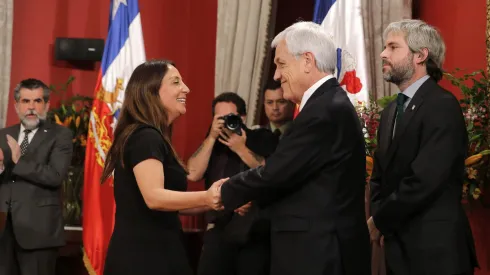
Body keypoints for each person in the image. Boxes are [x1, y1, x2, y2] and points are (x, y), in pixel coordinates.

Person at [218, 21, 371, 275]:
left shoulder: (324, 111)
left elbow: (276, 173)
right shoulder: (327, 104)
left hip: (320, 255)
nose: (276, 75)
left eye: (281, 64)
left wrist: (223, 192)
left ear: (307, 61)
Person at [368, 19, 478, 275]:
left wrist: (381, 221)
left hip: (436, 253)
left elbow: (424, 180)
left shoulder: (442, 106)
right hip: (398, 249)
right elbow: (379, 177)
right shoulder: (390, 112)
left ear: (420, 55)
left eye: (393, 47)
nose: (383, 53)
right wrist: (380, 220)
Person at [102, 60, 224, 275]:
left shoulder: (150, 136)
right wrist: (207, 196)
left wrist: (220, 199)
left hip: (158, 254)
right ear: (151, 91)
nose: (186, 88)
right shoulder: (145, 137)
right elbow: (155, 198)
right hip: (144, 259)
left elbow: (172, 202)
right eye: (176, 82)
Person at [187, 92, 278, 275]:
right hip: (219, 230)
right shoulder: (212, 143)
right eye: (220, 118)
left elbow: (272, 173)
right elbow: (192, 173)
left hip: (254, 233)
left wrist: (241, 148)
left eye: (231, 117)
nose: (226, 123)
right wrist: (212, 137)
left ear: (243, 117)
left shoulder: (261, 137)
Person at [0, 78, 73, 275]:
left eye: (37, 101)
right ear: (16, 106)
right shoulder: (3, 134)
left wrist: (19, 161)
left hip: (38, 233)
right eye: (25, 101)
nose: (31, 107)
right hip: (3, 232)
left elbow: (55, 175)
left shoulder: (60, 135)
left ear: (46, 105)